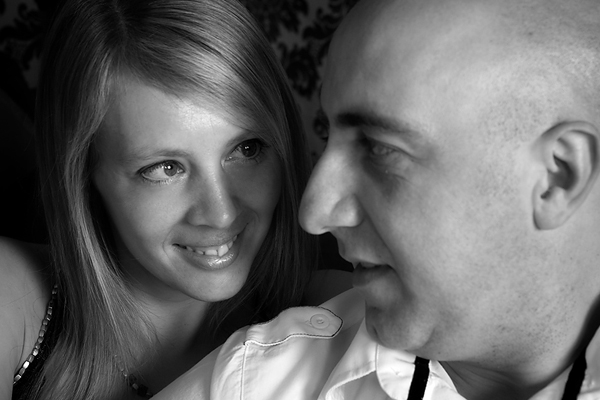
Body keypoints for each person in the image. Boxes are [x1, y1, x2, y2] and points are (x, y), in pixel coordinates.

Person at [153, 0, 600, 399]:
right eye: (328, 136)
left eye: (380, 149)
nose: (314, 213)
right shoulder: (250, 383)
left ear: (557, 176)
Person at [0, 0, 341, 397]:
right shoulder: (13, 295)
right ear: (83, 174)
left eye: (246, 149)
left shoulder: (335, 315)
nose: (221, 213)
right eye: (165, 168)